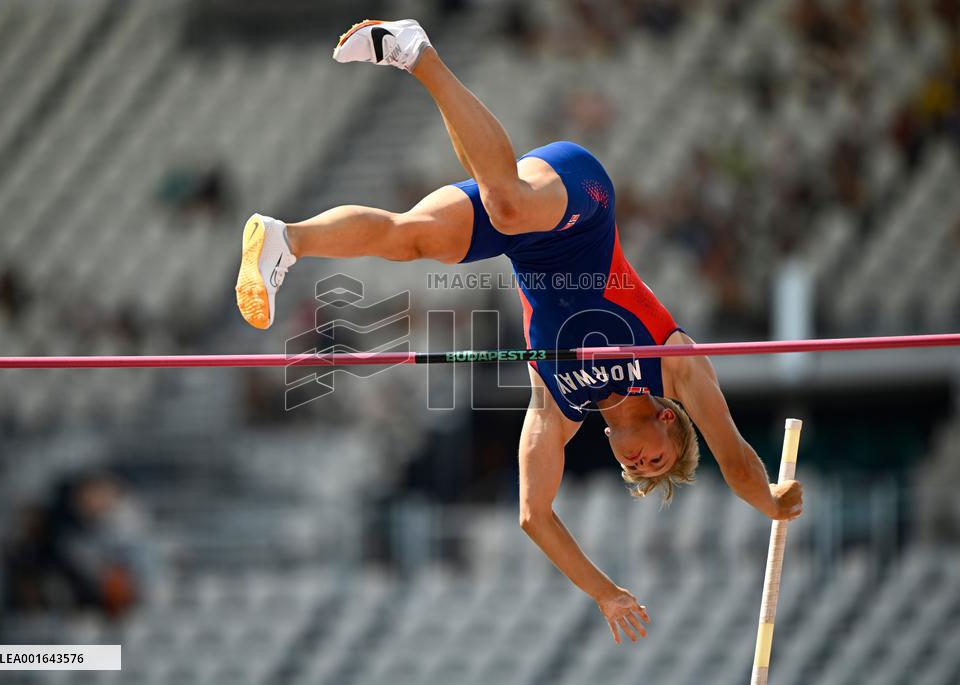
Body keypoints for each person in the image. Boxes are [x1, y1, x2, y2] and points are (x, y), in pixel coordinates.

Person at [234, 19, 804, 645]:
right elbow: (736, 461)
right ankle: (415, 50)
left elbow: (535, 516)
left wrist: (605, 592)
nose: (639, 466)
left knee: (409, 237)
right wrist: (772, 503)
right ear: (670, 422)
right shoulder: (672, 364)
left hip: (522, 244)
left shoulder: (557, 405)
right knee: (506, 201)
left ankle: (286, 238)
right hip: (583, 206)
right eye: (658, 462)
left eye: (636, 474)